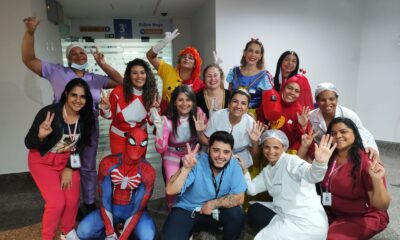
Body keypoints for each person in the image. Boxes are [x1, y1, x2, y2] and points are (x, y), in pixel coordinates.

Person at [22, 16, 123, 212]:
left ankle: (90, 202)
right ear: (68, 58)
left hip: (88, 129)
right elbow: (28, 59)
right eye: (73, 53)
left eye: (82, 52)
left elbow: (119, 81)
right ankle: (70, 203)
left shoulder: (95, 78)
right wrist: (30, 33)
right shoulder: (56, 71)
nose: (79, 56)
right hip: (64, 129)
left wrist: (103, 64)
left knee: (87, 166)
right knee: (67, 164)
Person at [25, 79, 95, 240]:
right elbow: (28, 142)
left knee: (72, 200)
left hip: (67, 160)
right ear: (66, 94)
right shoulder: (49, 113)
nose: (78, 100)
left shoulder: (86, 118)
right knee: (57, 203)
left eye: (82, 97)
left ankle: (67, 231)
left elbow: (81, 147)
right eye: (74, 95)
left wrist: (70, 168)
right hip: (42, 161)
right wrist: (40, 136)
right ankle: (47, 237)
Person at [238, 129, 336, 240]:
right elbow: (252, 189)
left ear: (284, 147)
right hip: (284, 214)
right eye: (267, 147)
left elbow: (312, 176)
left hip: (307, 220)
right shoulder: (268, 170)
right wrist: (245, 172)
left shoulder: (292, 161)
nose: (271, 151)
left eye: (276, 147)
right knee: (254, 209)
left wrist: (319, 163)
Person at [161, 131, 247, 240]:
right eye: (216, 150)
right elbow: (170, 190)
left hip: (216, 211)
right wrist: (185, 168)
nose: (221, 156)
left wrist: (212, 204)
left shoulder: (234, 165)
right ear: (209, 149)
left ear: (231, 153)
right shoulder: (196, 161)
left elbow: (239, 197)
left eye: (226, 152)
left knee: (237, 215)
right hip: (188, 210)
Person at [76, 128, 156, 240]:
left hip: (133, 209)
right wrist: (109, 233)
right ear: (126, 140)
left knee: (148, 236)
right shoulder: (108, 163)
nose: (137, 148)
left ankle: (124, 231)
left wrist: (123, 238)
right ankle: (114, 232)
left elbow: (138, 207)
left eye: (142, 144)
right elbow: (105, 200)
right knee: (82, 231)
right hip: (112, 208)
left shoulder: (148, 171)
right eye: (133, 142)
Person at [321, 117, 390, 239]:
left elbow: (381, 205)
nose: (338, 136)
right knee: (308, 230)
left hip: (363, 216)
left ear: (355, 133)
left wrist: (376, 179)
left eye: (343, 132)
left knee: (331, 238)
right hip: (334, 212)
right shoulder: (329, 155)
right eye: (333, 133)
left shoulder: (367, 161)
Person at [150, 85, 206, 209]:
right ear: (174, 102)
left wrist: (201, 132)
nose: (184, 104)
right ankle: (172, 209)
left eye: (188, 100)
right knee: (172, 184)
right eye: (180, 100)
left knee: (198, 182)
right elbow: (161, 149)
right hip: (172, 153)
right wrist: (159, 128)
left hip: (193, 151)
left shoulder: (198, 113)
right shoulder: (167, 119)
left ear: (193, 101)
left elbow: (206, 139)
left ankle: (195, 206)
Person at [99, 58, 159, 154]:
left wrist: (155, 111)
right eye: (134, 73)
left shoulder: (151, 94)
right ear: (129, 75)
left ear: (147, 75)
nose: (139, 76)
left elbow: (152, 122)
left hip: (140, 137)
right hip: (118, 137)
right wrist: (106, 108)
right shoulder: (118, 91)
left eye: (142, 72)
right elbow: (109, 116)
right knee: (119, 166)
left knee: (138, 167)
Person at [196, 89, 264, 169]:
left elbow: (254, 158)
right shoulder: (217, 116)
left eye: (243, 103)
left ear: (247, 108)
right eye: (235, 101)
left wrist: (255, 142)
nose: (238, 106)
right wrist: (200, 133)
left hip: (240, 158)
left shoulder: (251, 123)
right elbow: (207, 141)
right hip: (216, 154)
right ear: (229, 104)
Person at [309, 82, 379, 160]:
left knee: (367, 160)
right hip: (333, 148)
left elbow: (361, 137)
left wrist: (366, 148)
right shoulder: (311, 116)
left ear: (337, 99)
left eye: (331, 99)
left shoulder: (349, 115)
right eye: (322, 100)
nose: (327, 103)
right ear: (317, 101)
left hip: (362, 141)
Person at [146, 29, 204, 111]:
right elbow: (150, 56)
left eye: (191, 58)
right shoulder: (168, 71)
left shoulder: (199, 84)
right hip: (166, 119)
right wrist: (163, 43)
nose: (186, 59)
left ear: (195, 64)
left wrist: (215, 70)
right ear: (180, 59)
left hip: (187, 121)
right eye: (184, 56)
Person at [226, 38, 273, 118]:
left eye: (257, 52)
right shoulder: (234, 72)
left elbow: (267, 104)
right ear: (245, 53)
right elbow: (229, 97)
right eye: (250, 51)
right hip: (234, 113)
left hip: (254, 117)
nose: (253, 55)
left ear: (260, 56)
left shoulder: (264, 76)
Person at [269, 74, 312, 157]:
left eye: (296, 91)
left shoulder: (300, 112)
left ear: (300, 94)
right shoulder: (273, 100)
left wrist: (303, 126)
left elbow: (303, 140)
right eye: (289, 88)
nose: (292, 92)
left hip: (289, 152)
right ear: (284, 87)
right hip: (269, 148)